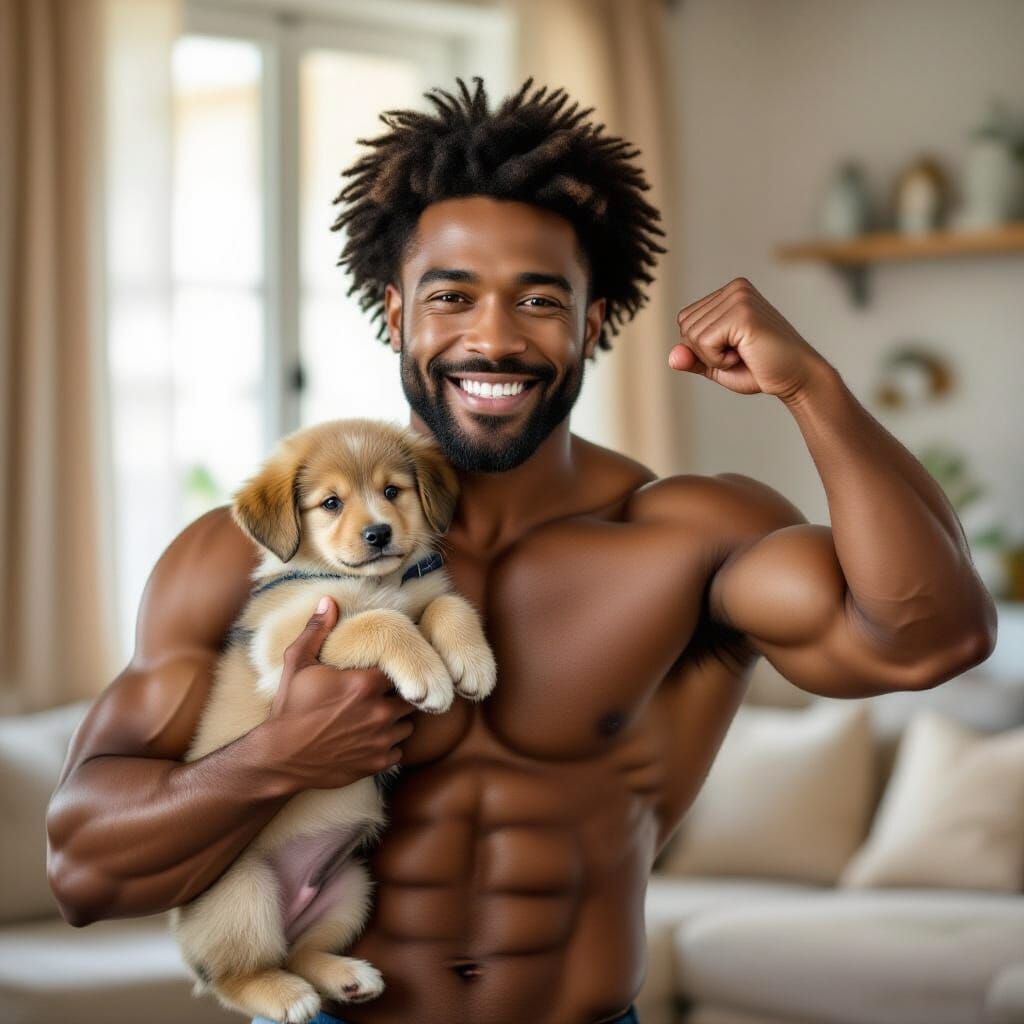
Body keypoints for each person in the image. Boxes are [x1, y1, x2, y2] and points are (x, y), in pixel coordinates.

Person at [46, 77, 996, 1024]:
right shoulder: (255, 553)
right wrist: (275, 758)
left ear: (592, 321)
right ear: (395, 313)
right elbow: (84, 871)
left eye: (539, 301)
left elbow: (931, 638)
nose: (493, 339)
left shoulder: (688, 538)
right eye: (451, 297)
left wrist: (813, 389)